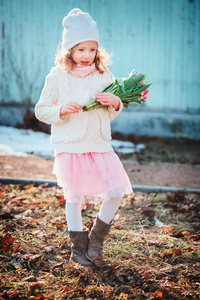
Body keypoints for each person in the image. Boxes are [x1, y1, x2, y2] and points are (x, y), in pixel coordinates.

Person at [35, 8, 133, 268]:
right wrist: (60, 110)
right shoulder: (57, 76)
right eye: (81, 50)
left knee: (115, 191)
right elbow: (41, 110)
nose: (87, 55)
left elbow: (108, 116)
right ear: (69, 50)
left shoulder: (104, 75)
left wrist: (115, 103)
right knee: (75, 196)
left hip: (99, 143)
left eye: (92, 49)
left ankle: (96, 241)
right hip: (70, 144)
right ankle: (78, 249)